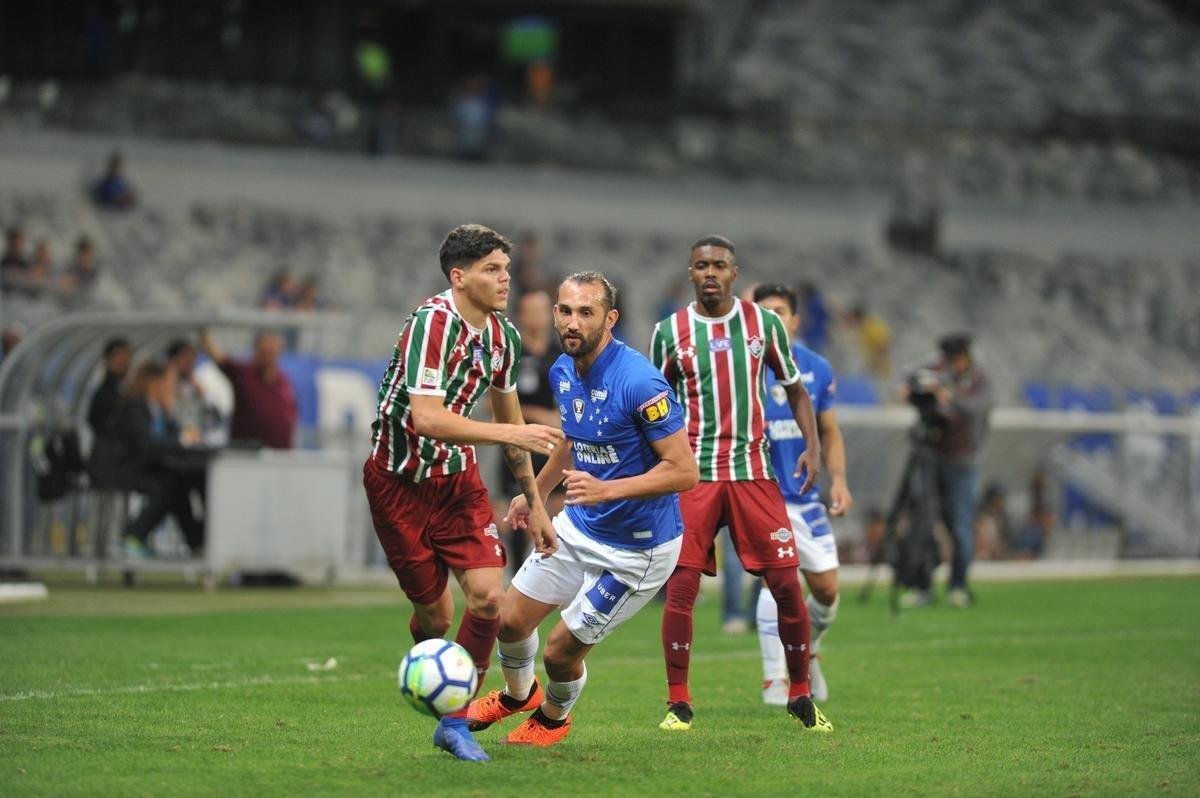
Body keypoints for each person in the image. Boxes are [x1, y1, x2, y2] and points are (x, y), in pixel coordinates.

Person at [465, 272, 697, 746]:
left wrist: (608, 491)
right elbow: (572, 439)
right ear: (555, 314)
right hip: (581, 525)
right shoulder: (562, 370)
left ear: (610, 319)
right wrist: (535, 494)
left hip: (638, 550)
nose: (573, 322)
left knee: (559, 653)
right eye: (566, 311)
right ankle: (517, 695)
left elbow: (684, 471)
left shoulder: (640, 382)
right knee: (508, 621)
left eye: (586, 312)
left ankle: (554, 717)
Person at [361, 223, 564, 762]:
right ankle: (435, 672)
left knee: (490, 598)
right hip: (398, 484)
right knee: (435, 618)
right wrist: (510, 433)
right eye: (492, 269)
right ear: (459, 276)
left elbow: (512, 425)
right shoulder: (431, 324)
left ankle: (454, 723)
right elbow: (427, 419)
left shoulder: (503, 338)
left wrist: (537, 505)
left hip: (456, 481)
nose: (505, 279)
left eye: (506, 268)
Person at [651, 235, 831, 733]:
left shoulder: (764, 324)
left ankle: (799, 693)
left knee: (786, 584)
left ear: (735, 273)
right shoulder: (669, 332)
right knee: (681, 586)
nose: (709, 272)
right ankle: (678, 701)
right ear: (691, 273)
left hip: (753, 472)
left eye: (719, 265)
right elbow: (652, 405)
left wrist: (813, 447)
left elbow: (796, 389)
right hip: (695, 475)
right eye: (701, 265)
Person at [751, 284, 853, 705]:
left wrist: (839, 480)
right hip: (762, 493)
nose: (771, 319)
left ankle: (807, 651)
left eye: (779, 311)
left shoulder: (816, 368)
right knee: (778, 581)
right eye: (763, 312)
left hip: (806, 498)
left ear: (794, 320)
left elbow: (829, 431)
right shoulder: (740, 368)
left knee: (827, 591)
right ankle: (775, 679)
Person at [899, 333, 993, 607]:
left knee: (960, 527)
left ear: (967, 357)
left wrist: (945, 393)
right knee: (923, 522)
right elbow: (908, 377)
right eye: (949, 359)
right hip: (932, 456)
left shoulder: (980, 381)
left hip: (963, 462)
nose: (953, 364)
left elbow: (973, 409)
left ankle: (957, 586)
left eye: (957, 359)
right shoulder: (938, 369)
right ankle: (923, 586)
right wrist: (911, 386)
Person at [88, 360, 209, 557]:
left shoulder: (157, 409)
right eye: (169, 383)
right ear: (155, 382)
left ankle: (197, 542)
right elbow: (147, 445)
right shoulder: (134, 406)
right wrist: (182, 439)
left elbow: (171, 436)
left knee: (181, 481)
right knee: (168, 486)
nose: (172, 388)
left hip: (139, 466)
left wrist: (184, 434)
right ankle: (133, 537)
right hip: (116, 468)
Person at [493, 289, 563, 579]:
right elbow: (494, 405)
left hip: (551, 446)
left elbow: (567, 408)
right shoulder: (512, 353)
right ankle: (518, 574)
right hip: (517, 445)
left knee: (558, 508)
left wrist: (538, 417)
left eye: (541, 310)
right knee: (516, 509)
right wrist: (532, 417)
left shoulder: (561, 355)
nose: (536, 316)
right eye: (530, 310)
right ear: (521, 315)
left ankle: (551, 571)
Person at [199, 329, 297, 449]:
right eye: (264, 351)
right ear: (256, 350)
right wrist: (203, 332)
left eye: (272, 351)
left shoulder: (284, 381)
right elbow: (219, 358)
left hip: (279, 454)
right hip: (247, 453)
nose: (268, 356)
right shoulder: (244, 374)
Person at [87, 337, 133, 437]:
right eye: (119, 355)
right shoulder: (105, 393)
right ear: (107, 360)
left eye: (127, 355)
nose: (125, 360)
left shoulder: (124, 389)